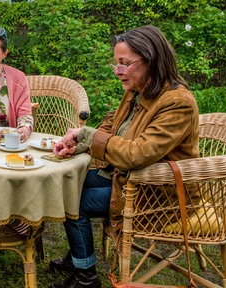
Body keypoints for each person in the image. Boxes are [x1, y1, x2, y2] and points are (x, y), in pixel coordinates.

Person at [49, 25, 200, 288]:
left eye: (124, 64)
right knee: (67, 183)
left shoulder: (177, 103)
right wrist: (80, 143)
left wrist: (89, 136)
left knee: (73, 200)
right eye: (116, 64)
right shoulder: (137, 90)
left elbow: (137, 155)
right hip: (127, 180)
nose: (118, 72)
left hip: (158, 194)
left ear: (150, 60)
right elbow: (110, 126)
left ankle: (86, 277)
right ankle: (78, 256)